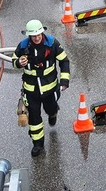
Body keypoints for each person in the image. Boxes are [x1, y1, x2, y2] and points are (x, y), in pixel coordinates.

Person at [12, 19, 71, 157]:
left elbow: (64, 61)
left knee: (50, 108)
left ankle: (53, 113)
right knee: (34, 118)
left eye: (38, 34)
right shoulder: (23, 46)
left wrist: (64, 81)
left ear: (42, 33)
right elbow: (14, 61)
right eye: (33, 36)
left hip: (50, 89)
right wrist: (19, 62)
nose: (37, 38)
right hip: (31, 91)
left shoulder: (52, 43)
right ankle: (38, 144)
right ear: (29, 35)